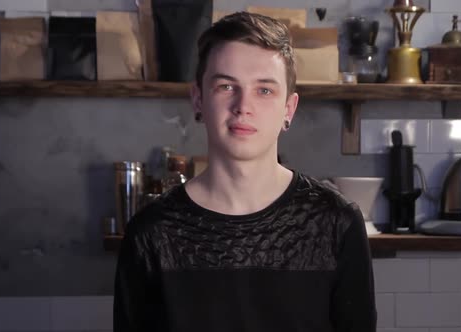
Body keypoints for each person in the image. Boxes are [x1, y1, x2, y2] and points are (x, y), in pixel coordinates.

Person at [114, 11, 376, 332]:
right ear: (198, 100)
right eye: (226, 86)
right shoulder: (150, 234)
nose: (243, 106)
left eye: (264, 90)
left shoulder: (338, 224)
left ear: (288, 109)